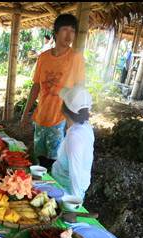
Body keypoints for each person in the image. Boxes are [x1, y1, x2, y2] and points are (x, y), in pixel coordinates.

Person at [21, 14, 86, 165]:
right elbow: (36, 86)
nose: (69, 34)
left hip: (61, 119)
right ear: (55, 33)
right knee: (39, 160)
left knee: (54, 162)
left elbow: (79, 91)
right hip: (41, 117)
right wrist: (26, 112)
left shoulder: (76, 58)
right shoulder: (43, 57)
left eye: (72, 31)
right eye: (65, 29)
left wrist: (73, 123)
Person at [50, 86, 94, 199]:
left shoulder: (73, 136)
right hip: (70, 184)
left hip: (66, 190)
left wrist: (74, 201)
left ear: (64, 109)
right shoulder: (86, 127)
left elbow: (75, 173)